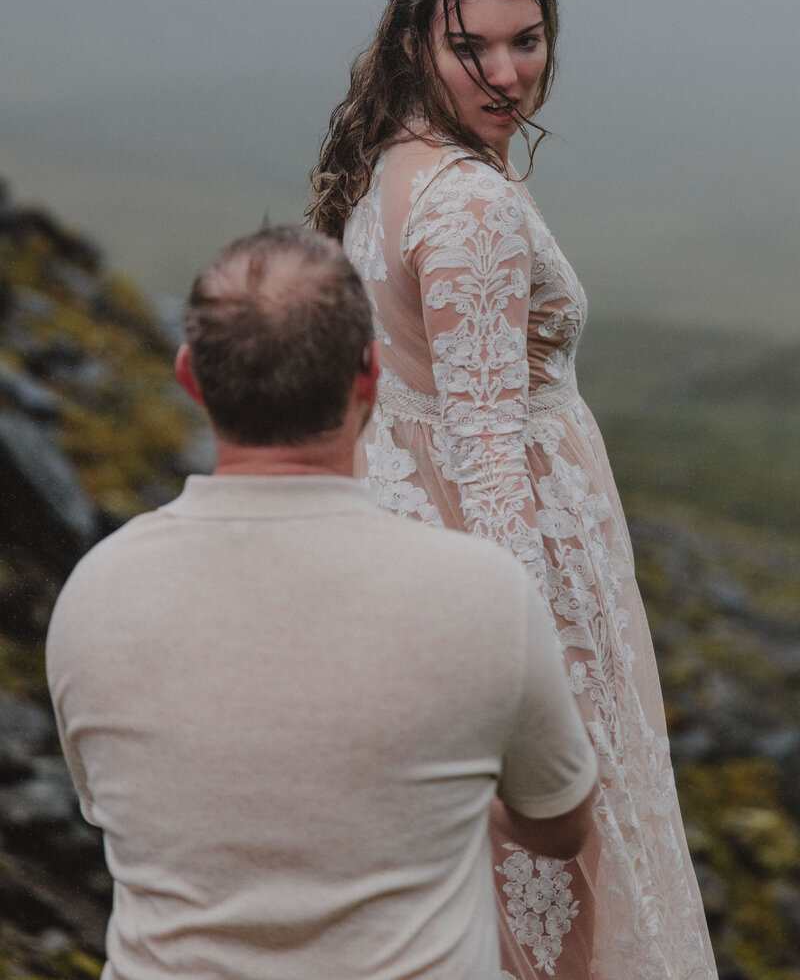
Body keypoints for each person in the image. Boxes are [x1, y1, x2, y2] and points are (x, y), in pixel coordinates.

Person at [308, 0, 718, 980]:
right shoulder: (470, 203)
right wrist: (526, 681)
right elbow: (487, 455)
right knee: (562, 882)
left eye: (525, 41)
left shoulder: (392, 163)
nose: (506, 74)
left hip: (414, 565)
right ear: (414, 43)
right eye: (471, 48)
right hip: (517, 577)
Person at [46, 225, 598, 980]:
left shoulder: (95, 593)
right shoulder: (483, 593)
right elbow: (561, 826)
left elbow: (114, 805)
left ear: (191, 377)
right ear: (369, 374)